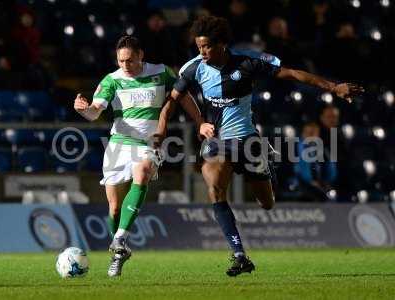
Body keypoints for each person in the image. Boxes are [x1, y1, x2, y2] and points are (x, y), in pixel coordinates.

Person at [154, 15, 363, 277]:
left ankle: (267, 165)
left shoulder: (247, 61)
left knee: (267, 204)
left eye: (207, 46)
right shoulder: (194, 68)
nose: (202, 52)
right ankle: (239, 254)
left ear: (221, 44)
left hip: (249, 142)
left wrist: (333, 87)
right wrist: (171, 129)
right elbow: (172, 101)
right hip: (218, 142)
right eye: (199, 47)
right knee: (214, 186)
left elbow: (293, 73)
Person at [74, 35, 179, 277]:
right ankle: (119, 253)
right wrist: (84, 109)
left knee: (141, 172)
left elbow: (182, 94)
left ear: (141, 55)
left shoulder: (162, 72)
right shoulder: (112, 80)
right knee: (114, 209)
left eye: (130, 60)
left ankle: (120, 238)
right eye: (121, 61)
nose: (125, 65)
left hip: (148, 145)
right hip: (118, 145)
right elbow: (94, 113)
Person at [294, 122, 337, 201]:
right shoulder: (294, 148)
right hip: (300, 185)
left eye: (313, 133)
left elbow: (330, 169)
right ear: (303, 134)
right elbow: (299, 169)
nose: (311, 136)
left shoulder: (322, 150)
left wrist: (325, 182)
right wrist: (311, 181)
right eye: (308, 133)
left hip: (319, 186)